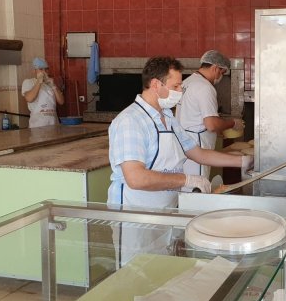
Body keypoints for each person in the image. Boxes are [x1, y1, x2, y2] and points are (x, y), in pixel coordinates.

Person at [108, 56, 252, 265]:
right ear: (156, 85)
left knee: (161, 269)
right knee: (135, 273)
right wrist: (186, 180)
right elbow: (136, 178)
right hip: (135, 216)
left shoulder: (168, 117)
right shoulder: (131, 121)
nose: (180, 92)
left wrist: (242, 161)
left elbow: (198, 153)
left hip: (165, 211)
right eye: (175, 86)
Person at [176, 49, 244, 180]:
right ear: (215, 68)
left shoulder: (187, 82)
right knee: (197, 186)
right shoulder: (205, 87)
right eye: (222, 72)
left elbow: (193, 116)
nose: (220, 77)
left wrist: (219, 129)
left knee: (186, 185)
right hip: (197, 149)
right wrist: (233, 123)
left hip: (184, 146)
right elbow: (211, 125)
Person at [21, 57, 65, 128]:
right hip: (37, 125)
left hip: (53, 123)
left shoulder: (50, 83)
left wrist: (53, 86)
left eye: (46, 69)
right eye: (41, 69)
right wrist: (39, 81)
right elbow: (29, 98)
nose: (44, 72)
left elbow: (61, 101)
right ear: (34, 71)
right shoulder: (28, 82)